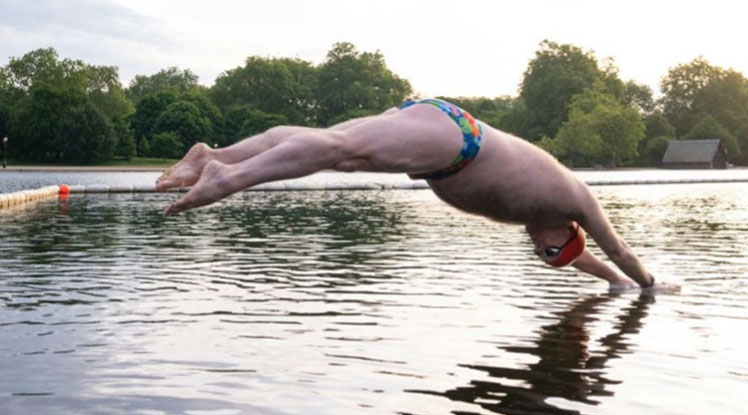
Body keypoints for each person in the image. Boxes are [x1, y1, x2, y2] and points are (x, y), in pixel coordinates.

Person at [156, 98, 670, 291]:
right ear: (571, 232)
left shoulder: (545, 223)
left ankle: (216, 157)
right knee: (339, 150)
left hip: (440, 147)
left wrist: (617, 288)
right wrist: (648, 285)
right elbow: (618, 252)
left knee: (327, 145)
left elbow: (600, 266)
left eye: (547, 257)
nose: (542, 251)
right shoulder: (577, 199)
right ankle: (227, 179)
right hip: (458, 138)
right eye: (552, 250)